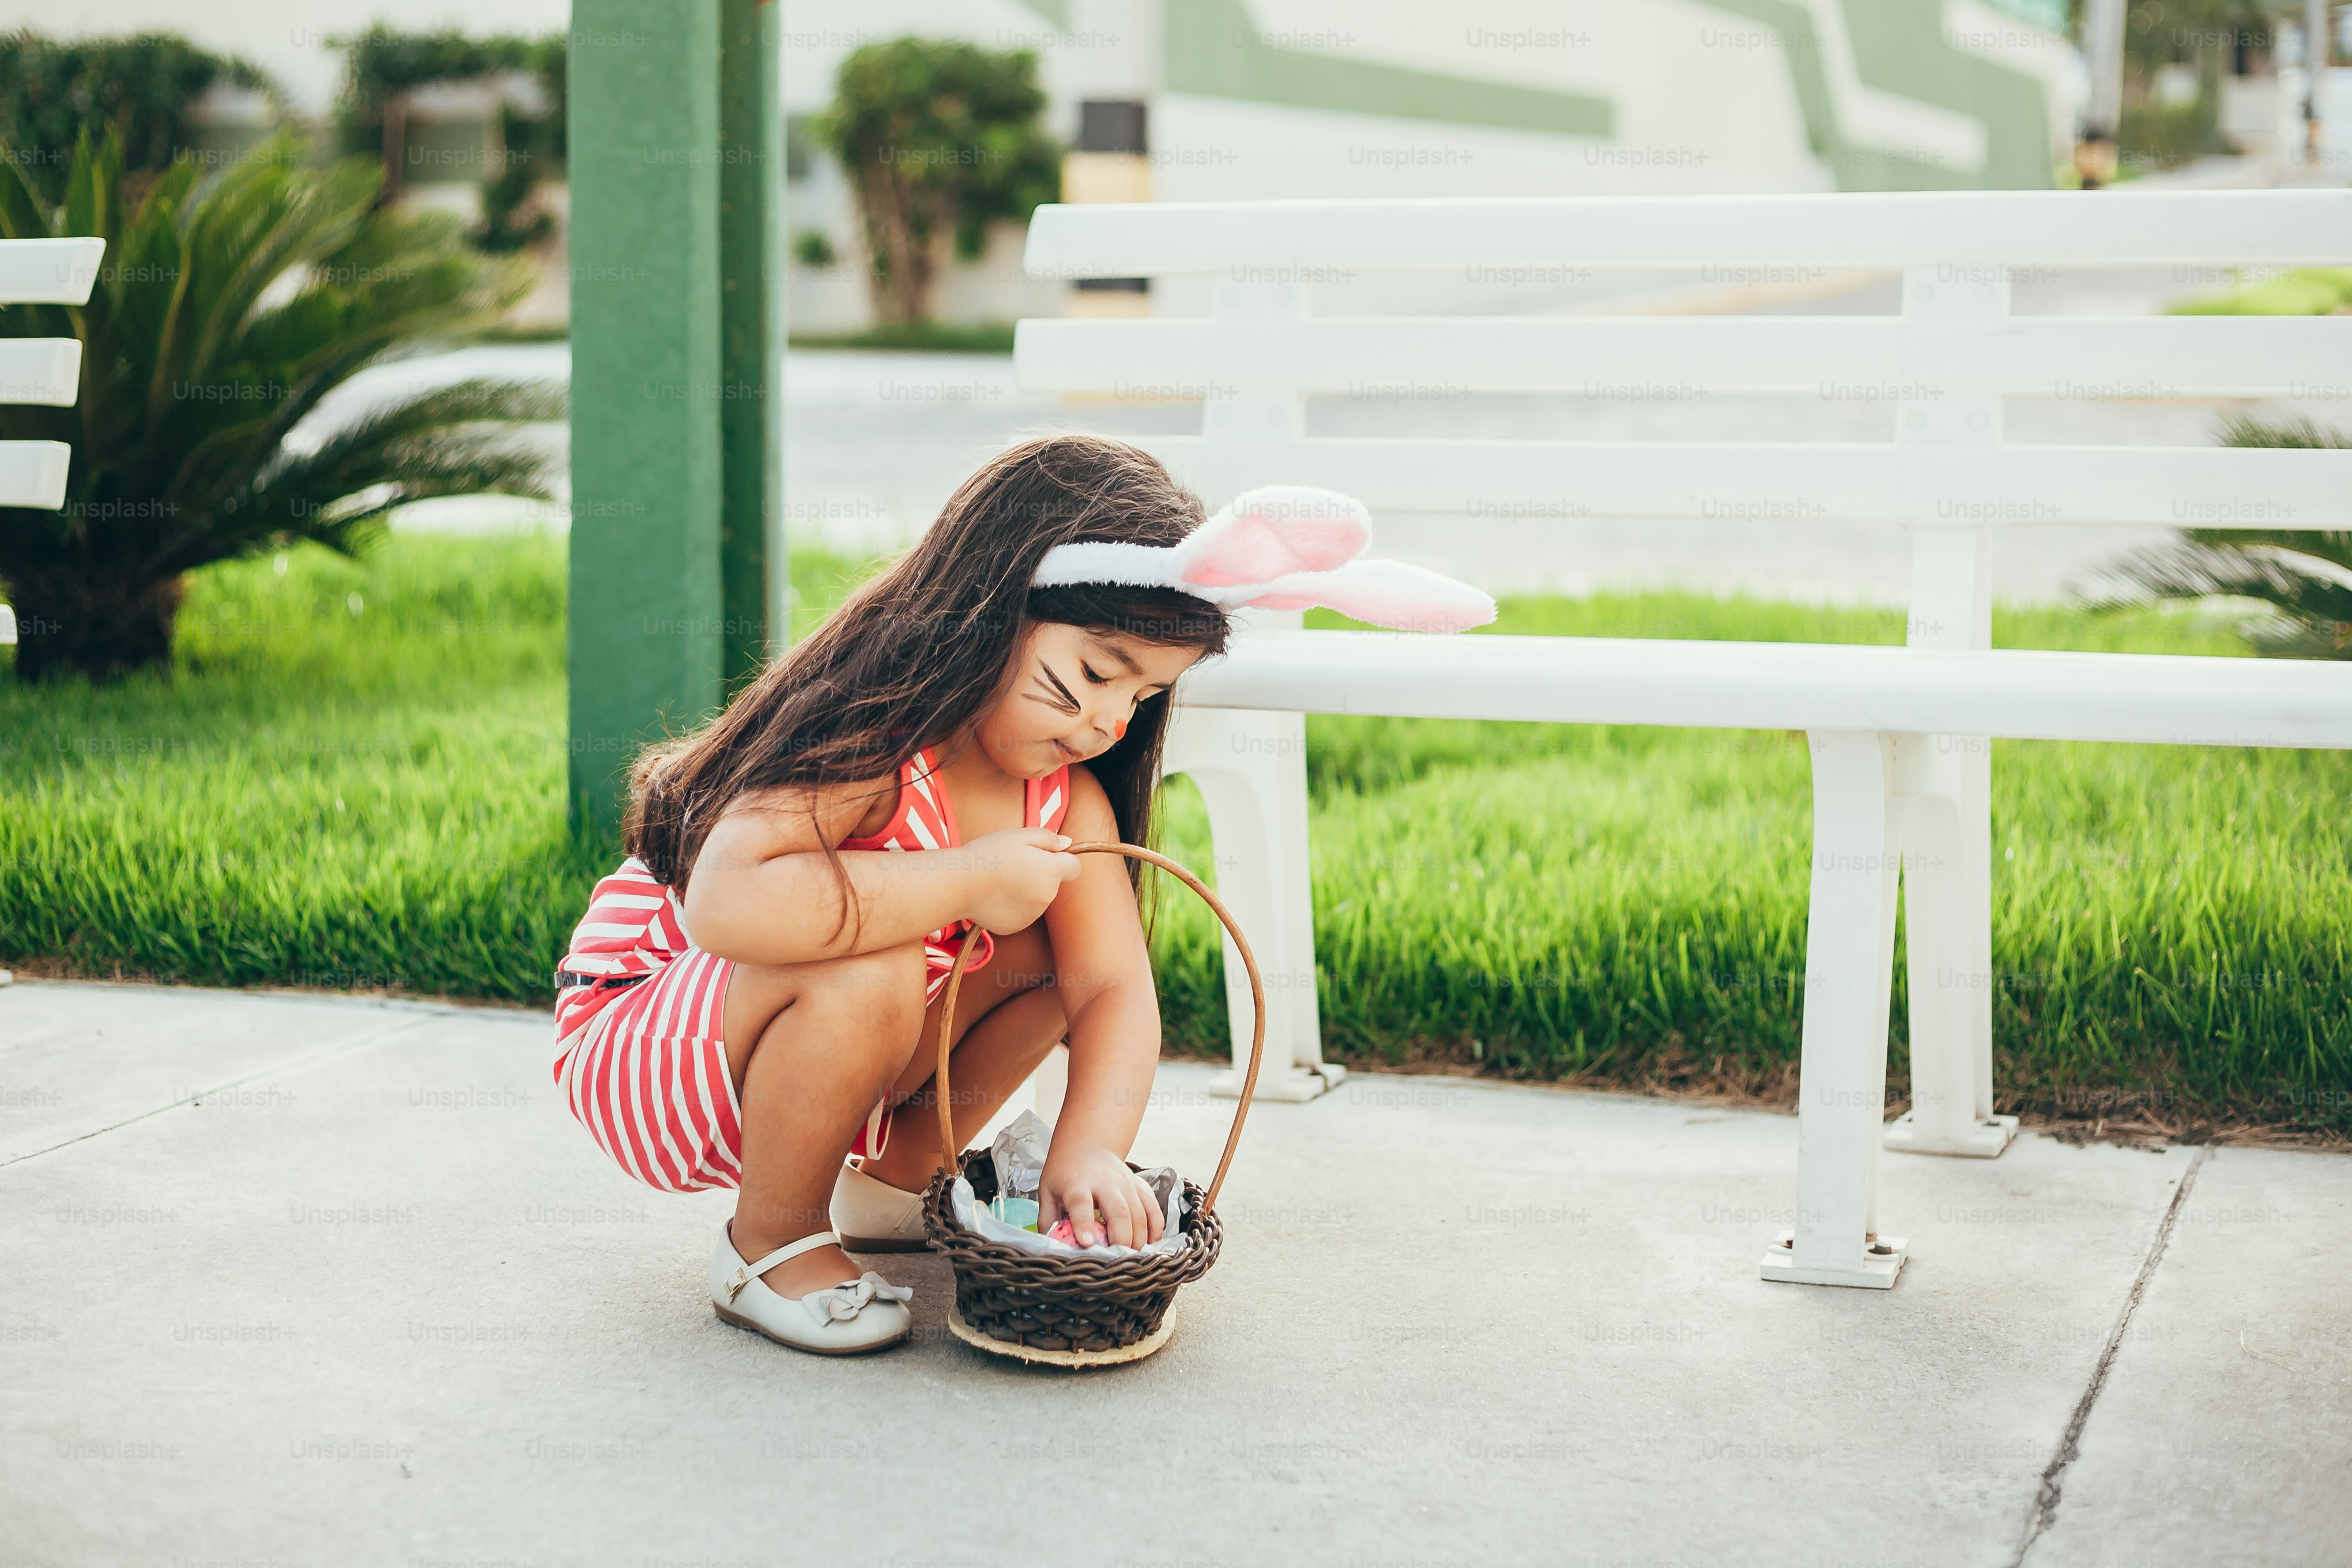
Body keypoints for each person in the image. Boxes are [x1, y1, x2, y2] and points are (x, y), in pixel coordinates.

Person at [550, 433, 1493, 1355]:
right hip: (653, 1036)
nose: (1107, 722)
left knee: (1053, 956)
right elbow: (730, 907)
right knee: (871, 959)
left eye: (1141, 697)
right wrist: (966, 877)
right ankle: (769, 1244)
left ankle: (886, 1185)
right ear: (989, 611)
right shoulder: (873, 740)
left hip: (787, 1034)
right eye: (1090, 674)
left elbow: (1113, 990)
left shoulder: (1063, 796)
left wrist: (1089, 1147)